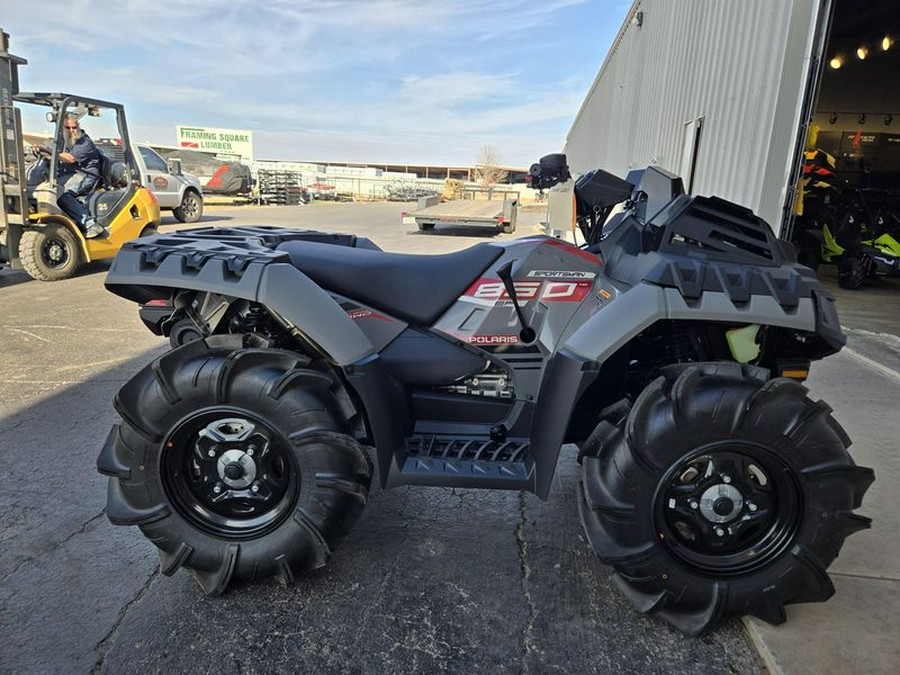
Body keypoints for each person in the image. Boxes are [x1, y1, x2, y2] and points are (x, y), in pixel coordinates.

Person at [56, 115, 105, 238]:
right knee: (45, 189)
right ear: (62, 128)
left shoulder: (85, 142)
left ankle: (90, 224)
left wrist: (51, 153)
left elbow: (70, 158)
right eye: (68, 128)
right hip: (69, 174)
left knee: (61, 193)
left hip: (86, 175)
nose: (72, 130)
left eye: (74, 127)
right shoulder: (62, 141)